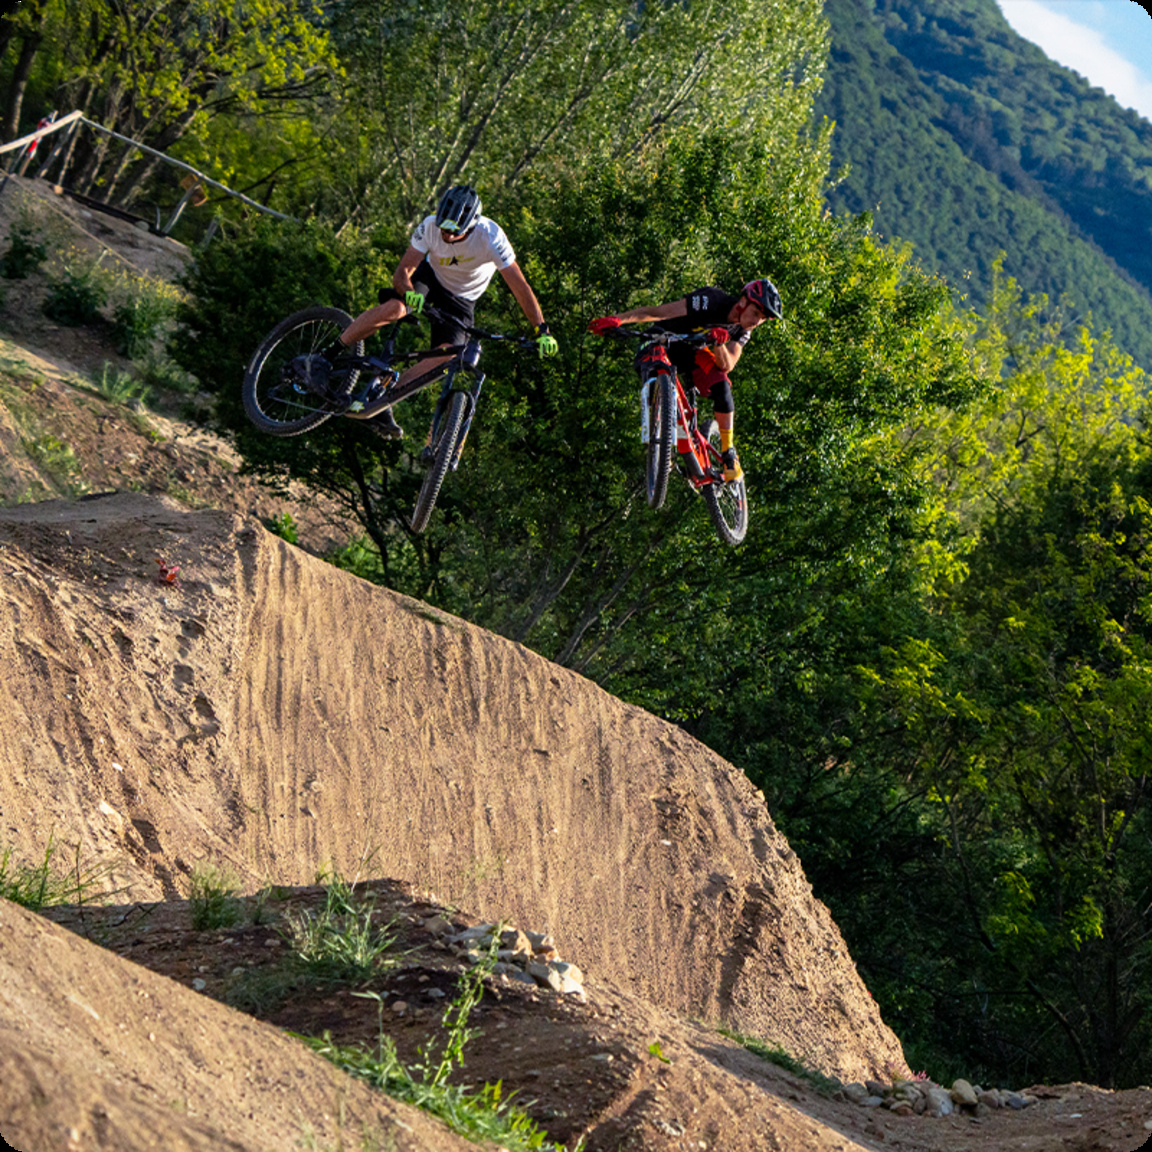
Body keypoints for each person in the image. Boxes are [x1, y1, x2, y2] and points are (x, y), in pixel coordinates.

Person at [331, 184, 558, 439]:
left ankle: (384, 400)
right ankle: (331, 352)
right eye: (443, 228)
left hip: (462, 298)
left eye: (453, 231)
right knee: (397, 308)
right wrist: (409, 293)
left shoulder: (491, 236)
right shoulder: (430, 226)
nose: (447, 235)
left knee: (447, 355)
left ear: (471, 226)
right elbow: (403, 271)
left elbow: (520, 286)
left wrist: (541, 329)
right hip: (430, 278)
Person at [588, 279, 782, 482]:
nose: (756, 322)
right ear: (743, 302)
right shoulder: (710, 300)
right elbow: (658, 312)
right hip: (661, 338)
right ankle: (659, 439)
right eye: (756, 314)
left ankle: (728, 453)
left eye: (762, 320)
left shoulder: (744, 329)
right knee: (651, 364)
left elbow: (728, 363)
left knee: (721, 383)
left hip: (692, 352)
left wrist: (718, 344)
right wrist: (617, 320)